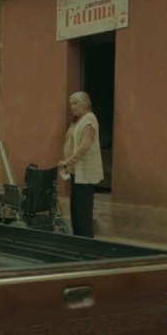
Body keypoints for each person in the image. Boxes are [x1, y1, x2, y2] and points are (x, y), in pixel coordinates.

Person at [58, 91, 104, 238]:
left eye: (75, 103)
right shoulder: (79, 120)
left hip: (85, 172)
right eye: (71, 103)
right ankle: (78, 238)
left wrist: (69, 160)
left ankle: (85, 239)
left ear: (85, 104)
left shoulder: (89, 119)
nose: (72, 106)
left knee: (83, 211)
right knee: (76, 210)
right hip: (76, 172)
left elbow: (86, 144)